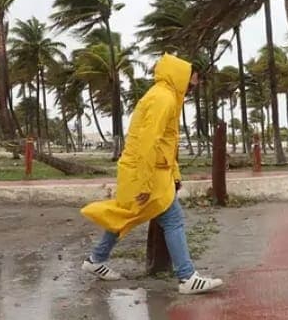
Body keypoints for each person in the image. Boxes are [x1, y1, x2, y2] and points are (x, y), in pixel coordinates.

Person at [80, 53, 223, 294]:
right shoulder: (163, 99)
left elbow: (168, 142)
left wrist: (175, 175)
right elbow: (148, 142)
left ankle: (95, 260)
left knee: (125, 215)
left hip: (150, 171)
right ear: (181, 78)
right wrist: (145, 184)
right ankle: (187, 277)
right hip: (145, 172)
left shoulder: (164, 96)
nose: (190, 91)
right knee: (172, 219)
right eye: (191, 85)